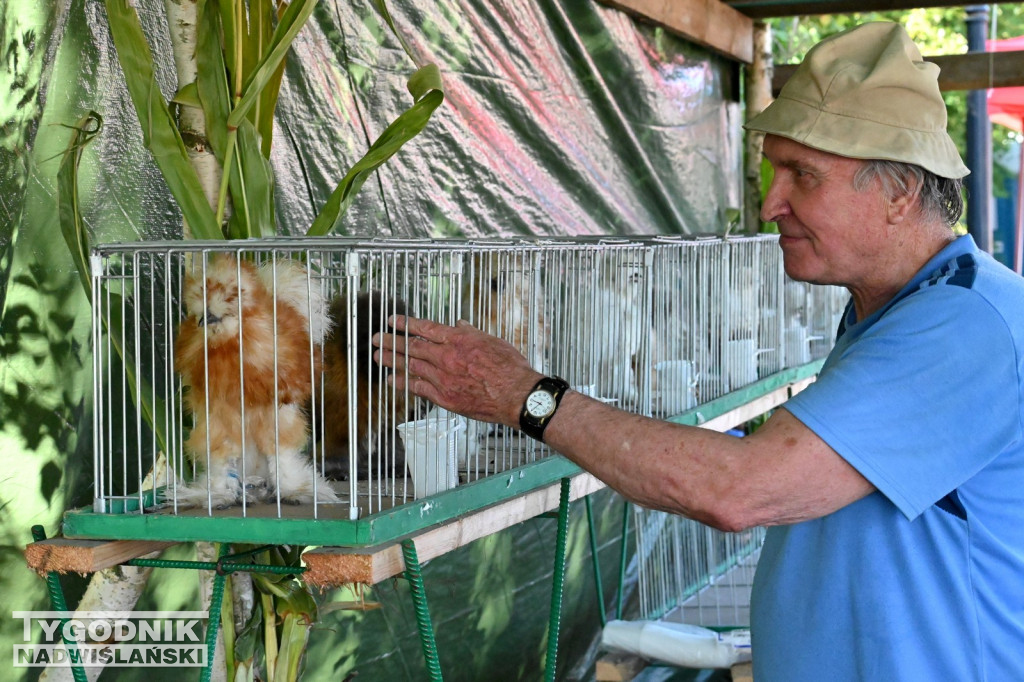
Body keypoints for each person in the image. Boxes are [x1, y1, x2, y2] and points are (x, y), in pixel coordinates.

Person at [374, 22, 1024, 681]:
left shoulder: (964, 325)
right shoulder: (888, 311)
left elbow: (738, 489)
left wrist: (527, 396)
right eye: (773, 170)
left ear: (900, 193)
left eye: (804, 175)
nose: (770, 203)